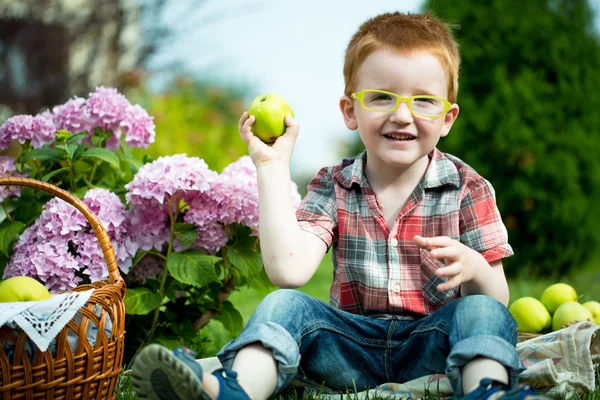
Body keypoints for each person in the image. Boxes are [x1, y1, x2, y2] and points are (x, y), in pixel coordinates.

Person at [131, 11, 549, 400]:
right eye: (382, 97)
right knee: (284, 305)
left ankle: (488, 389)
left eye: (423, 101)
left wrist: (475, 269)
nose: (403, 116)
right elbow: (288, 271)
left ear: (447, 118)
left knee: (478, 312)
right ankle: (235, 390)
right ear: (350, 111)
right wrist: (273, 167)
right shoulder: (334, 186)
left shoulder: (467, 188)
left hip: (434, 345)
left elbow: (497, 300)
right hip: (346, 348)